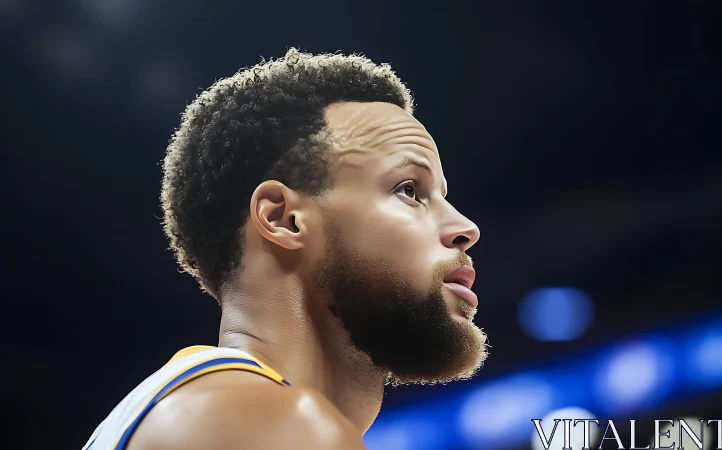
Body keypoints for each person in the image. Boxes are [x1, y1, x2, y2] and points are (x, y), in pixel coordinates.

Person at [82, 48, 488, 450]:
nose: (465, 228)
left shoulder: (192, 409)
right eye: (410, 190)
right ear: (283, 219)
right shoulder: (266, 425)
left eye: (442, 196)